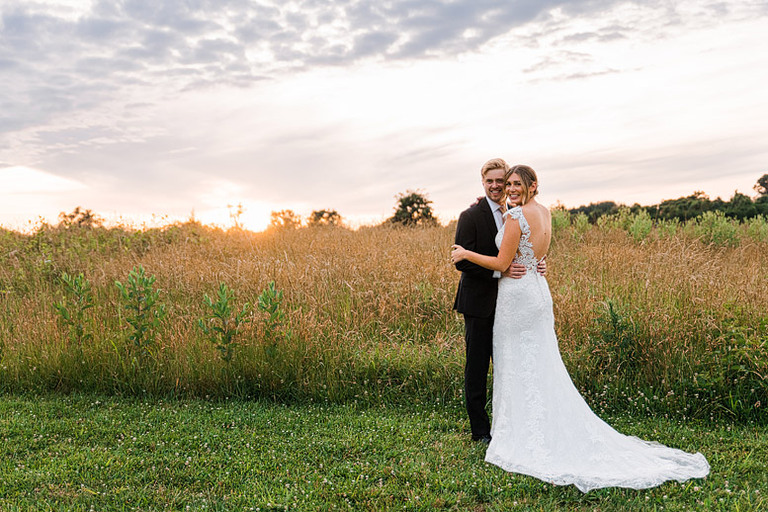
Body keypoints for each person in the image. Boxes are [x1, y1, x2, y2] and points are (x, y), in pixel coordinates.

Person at [451, 165, 709, 492]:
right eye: (502, 183)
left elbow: (503, 262)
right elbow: (530, 252)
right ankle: (502, 428)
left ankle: (523, 432)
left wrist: (467, 253)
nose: (506, 188)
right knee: (535, 363)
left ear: (530, 186)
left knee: (518, 364)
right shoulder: (539, 212)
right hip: (532, 294)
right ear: (485, 183)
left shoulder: (516, 215)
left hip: (518, 299)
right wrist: (532, 263)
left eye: (512, 183)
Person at [453, 158, 545, 443]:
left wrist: (539, 263)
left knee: (508, 364)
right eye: (490, 181)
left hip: (511, 304)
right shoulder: (469, 216)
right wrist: (499, 269)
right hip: (479, 303)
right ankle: (480, 431)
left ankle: (511, 423)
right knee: (477, 367)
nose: (496, 186)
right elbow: (461, 262)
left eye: (500, 181)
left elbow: (524, 247)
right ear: (483, 182)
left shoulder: (515, 212)